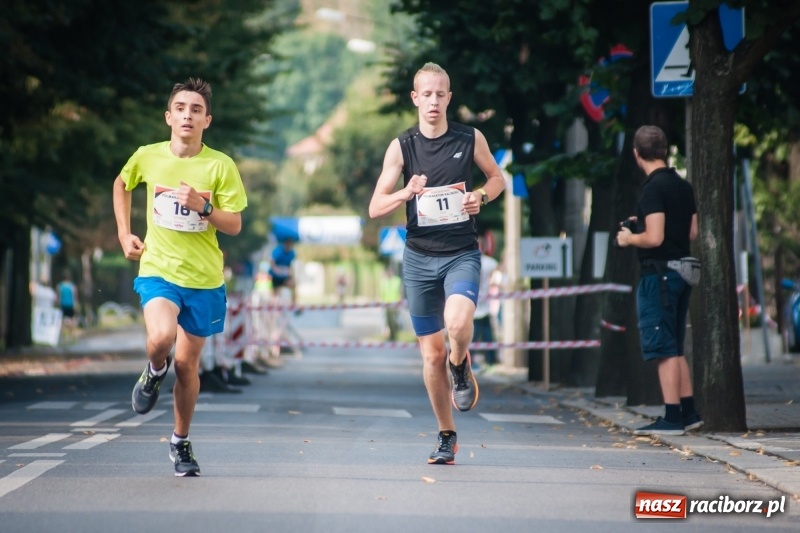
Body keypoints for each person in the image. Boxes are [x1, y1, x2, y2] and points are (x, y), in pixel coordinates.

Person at [368, 62, 505, 465]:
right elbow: (376, 205)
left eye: (439, 94)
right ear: (415, 98)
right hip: (419, 258)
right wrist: (405, 193)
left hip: (460, 252)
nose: (432, 101)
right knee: (430, 355)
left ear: (449, 97)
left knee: (459, 325)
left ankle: (460, 363)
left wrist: (481, 196)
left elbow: (497, 178)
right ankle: (447, 434)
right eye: (425, 94)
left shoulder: (469, 136)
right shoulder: (402, 147)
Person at [112, 77, 247, 476]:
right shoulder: (148, 156)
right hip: (159, 270)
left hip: (204, 279)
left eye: (197, 110)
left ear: (208, 120)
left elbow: (235, 224)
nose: (188, 115)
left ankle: (180, 441)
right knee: (160, 339)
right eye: (181, 109)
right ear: (168, 117)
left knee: (188, 367)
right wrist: (123, 232)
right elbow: (122, 183)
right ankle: (154, 370)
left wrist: (204, 207)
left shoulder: (220, 165)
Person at [616, 125, 703, 436]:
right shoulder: (682, 185)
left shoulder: (653, 189)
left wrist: (629, 238)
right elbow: (690, 232)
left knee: (663, 347)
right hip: (682, 271)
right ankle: (689, 412)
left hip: (660, 275)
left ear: (637, 153)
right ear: (664, 151)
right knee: (676, 345)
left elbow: (655, 237)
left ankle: (672, 417)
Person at [472, 238, 499, 372]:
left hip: (473, 303)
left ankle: (470, 362)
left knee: (472, 336)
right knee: (487, 334)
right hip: (483, 303)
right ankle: (491, 360)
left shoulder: (468, 263)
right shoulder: (490, 263)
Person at [269, 238, 299, 313]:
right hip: (275, 276)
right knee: (275, 294)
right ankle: (273, 308)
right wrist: (276, 269)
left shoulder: (292, 253)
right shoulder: (279, 251)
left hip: (285, 275)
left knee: (293, 285)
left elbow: (291, 265)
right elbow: (272, 261)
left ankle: (294, 305)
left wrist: (292, 274)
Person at [379, 263, 403, 341]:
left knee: (395, 321)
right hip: (386, 305)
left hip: (395, 304)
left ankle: (395, 335)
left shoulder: (397, 280)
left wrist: (399, 303)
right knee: (388, 321)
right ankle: (391, 336)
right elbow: (381, 293)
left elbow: (400, 293)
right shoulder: (384, 281)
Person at [56, 272, 80, 341]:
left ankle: (62, 336)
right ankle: (71, 335)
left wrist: (57, 305)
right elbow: (75, 297)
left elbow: (58, 297)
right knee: (72, 320)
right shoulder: (72, 286)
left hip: (62, 305)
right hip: (70, 305)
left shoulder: (59, 286)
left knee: (62, 321)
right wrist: (76, 305)